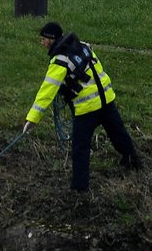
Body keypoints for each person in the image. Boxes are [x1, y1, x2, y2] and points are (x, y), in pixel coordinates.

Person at [23, 21, 143, 192]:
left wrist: (32, 120)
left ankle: (80, 188)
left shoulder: (60, 61)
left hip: (87, 109)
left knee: (80, 148)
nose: (42, 43)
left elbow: (46, 92)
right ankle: (133, 161)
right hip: (107, 100)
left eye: (43, 39)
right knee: (118, 133)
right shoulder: (83, 46)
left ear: (51, 40)